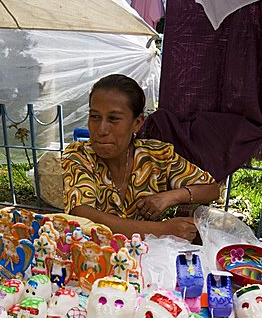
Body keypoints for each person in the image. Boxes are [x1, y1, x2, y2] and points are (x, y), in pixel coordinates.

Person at [61, 74, 220, 242]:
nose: (101, 129)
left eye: (113, 119)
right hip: (95, 257)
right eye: (95, 117)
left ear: (137, 123)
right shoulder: (79, 155)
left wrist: (169, 197)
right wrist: (162, 230)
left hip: (149, 258)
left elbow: (210, 188)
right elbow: (83, 215)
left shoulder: (156, 155)